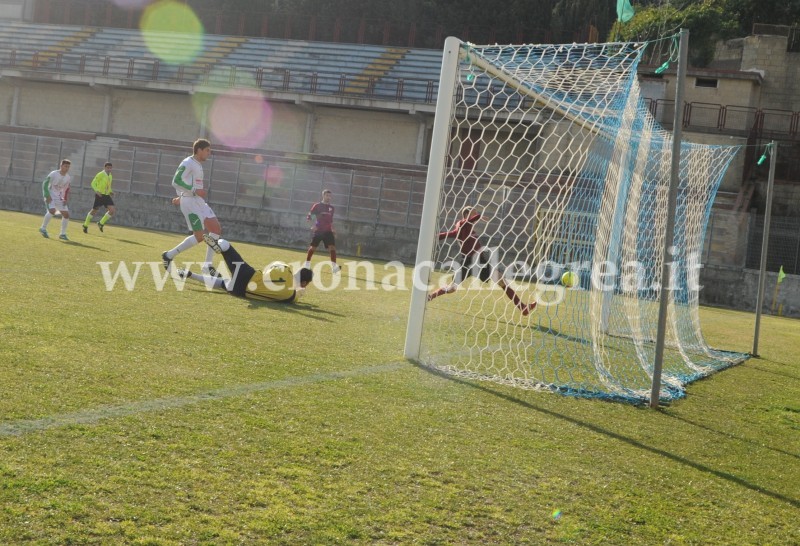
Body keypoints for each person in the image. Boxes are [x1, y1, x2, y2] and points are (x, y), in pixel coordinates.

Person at [427, 206, 536, 316]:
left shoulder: (466, 228)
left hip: (480, 262)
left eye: (476, 213)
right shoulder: (463, 225)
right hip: (467, 262)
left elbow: (448, 234)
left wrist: (436, 236)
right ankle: (431, 296)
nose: (475, 215)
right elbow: (465, 224)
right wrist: (478, 216)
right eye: (473, 213)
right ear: (467, 215)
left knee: (501, 280)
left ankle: (522, 307)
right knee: (452, 288)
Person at [177, 234, 313, 303]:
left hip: (249, 276)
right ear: (305, 283)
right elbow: (299, 293)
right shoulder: (290, 296)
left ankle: (219, 246)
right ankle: (190, 274)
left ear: (298, 271)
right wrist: (300, 290)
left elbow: (269, 269)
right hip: (241, 292)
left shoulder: (286, 267)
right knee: (224, 283)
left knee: (226, 245)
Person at [161, 138, 222, 276]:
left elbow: (185, 183)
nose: (209, 153)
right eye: (207, 150)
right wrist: (192, 191)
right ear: (199, 150)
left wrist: (181, 196)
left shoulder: (197, 164)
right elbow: (176, 180)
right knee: (199, 236)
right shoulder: (188, 162)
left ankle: (207, 266)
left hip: (198, 201)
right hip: (190, 203)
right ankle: (169, 255)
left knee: (215, 229)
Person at [304, 189, 340, 273]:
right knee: (313, 247)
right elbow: (309, 217)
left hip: (328, 231)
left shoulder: (332, 208)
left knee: (332, 247)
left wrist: (333, 229)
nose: (328, 197)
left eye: (330, 196)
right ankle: (307, 264)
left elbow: (331, 220)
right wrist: (312, 226)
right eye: (327, 195)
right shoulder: (317, 206)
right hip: (319, 230)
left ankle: (334, 268)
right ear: (323, 196)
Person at [39, 159, 73, 241]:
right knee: (52, 210)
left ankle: (62, 234)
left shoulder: (68, 177)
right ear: (61, 166)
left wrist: (65, 198)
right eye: (65, 166)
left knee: (66, 215)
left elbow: (66, 189)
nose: (67, 168)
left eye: (68, 167)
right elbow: (45, 184)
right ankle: (43, 228)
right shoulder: (54, 173)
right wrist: (47, 195)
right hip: (50, 194)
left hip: (59, 196)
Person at [82, 162, 115, 233]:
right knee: (94, 211)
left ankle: (101, 223)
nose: (109, 169)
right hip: (100, 195)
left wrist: (110, 191)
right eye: (108, 168)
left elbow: (108, 186)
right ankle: (85, 225)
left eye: (110, 168)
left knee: (112, 210)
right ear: (105, 168)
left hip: (106, 196)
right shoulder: (101, 174)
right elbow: (93, 183)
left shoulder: (110, 176)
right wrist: (97, 191)